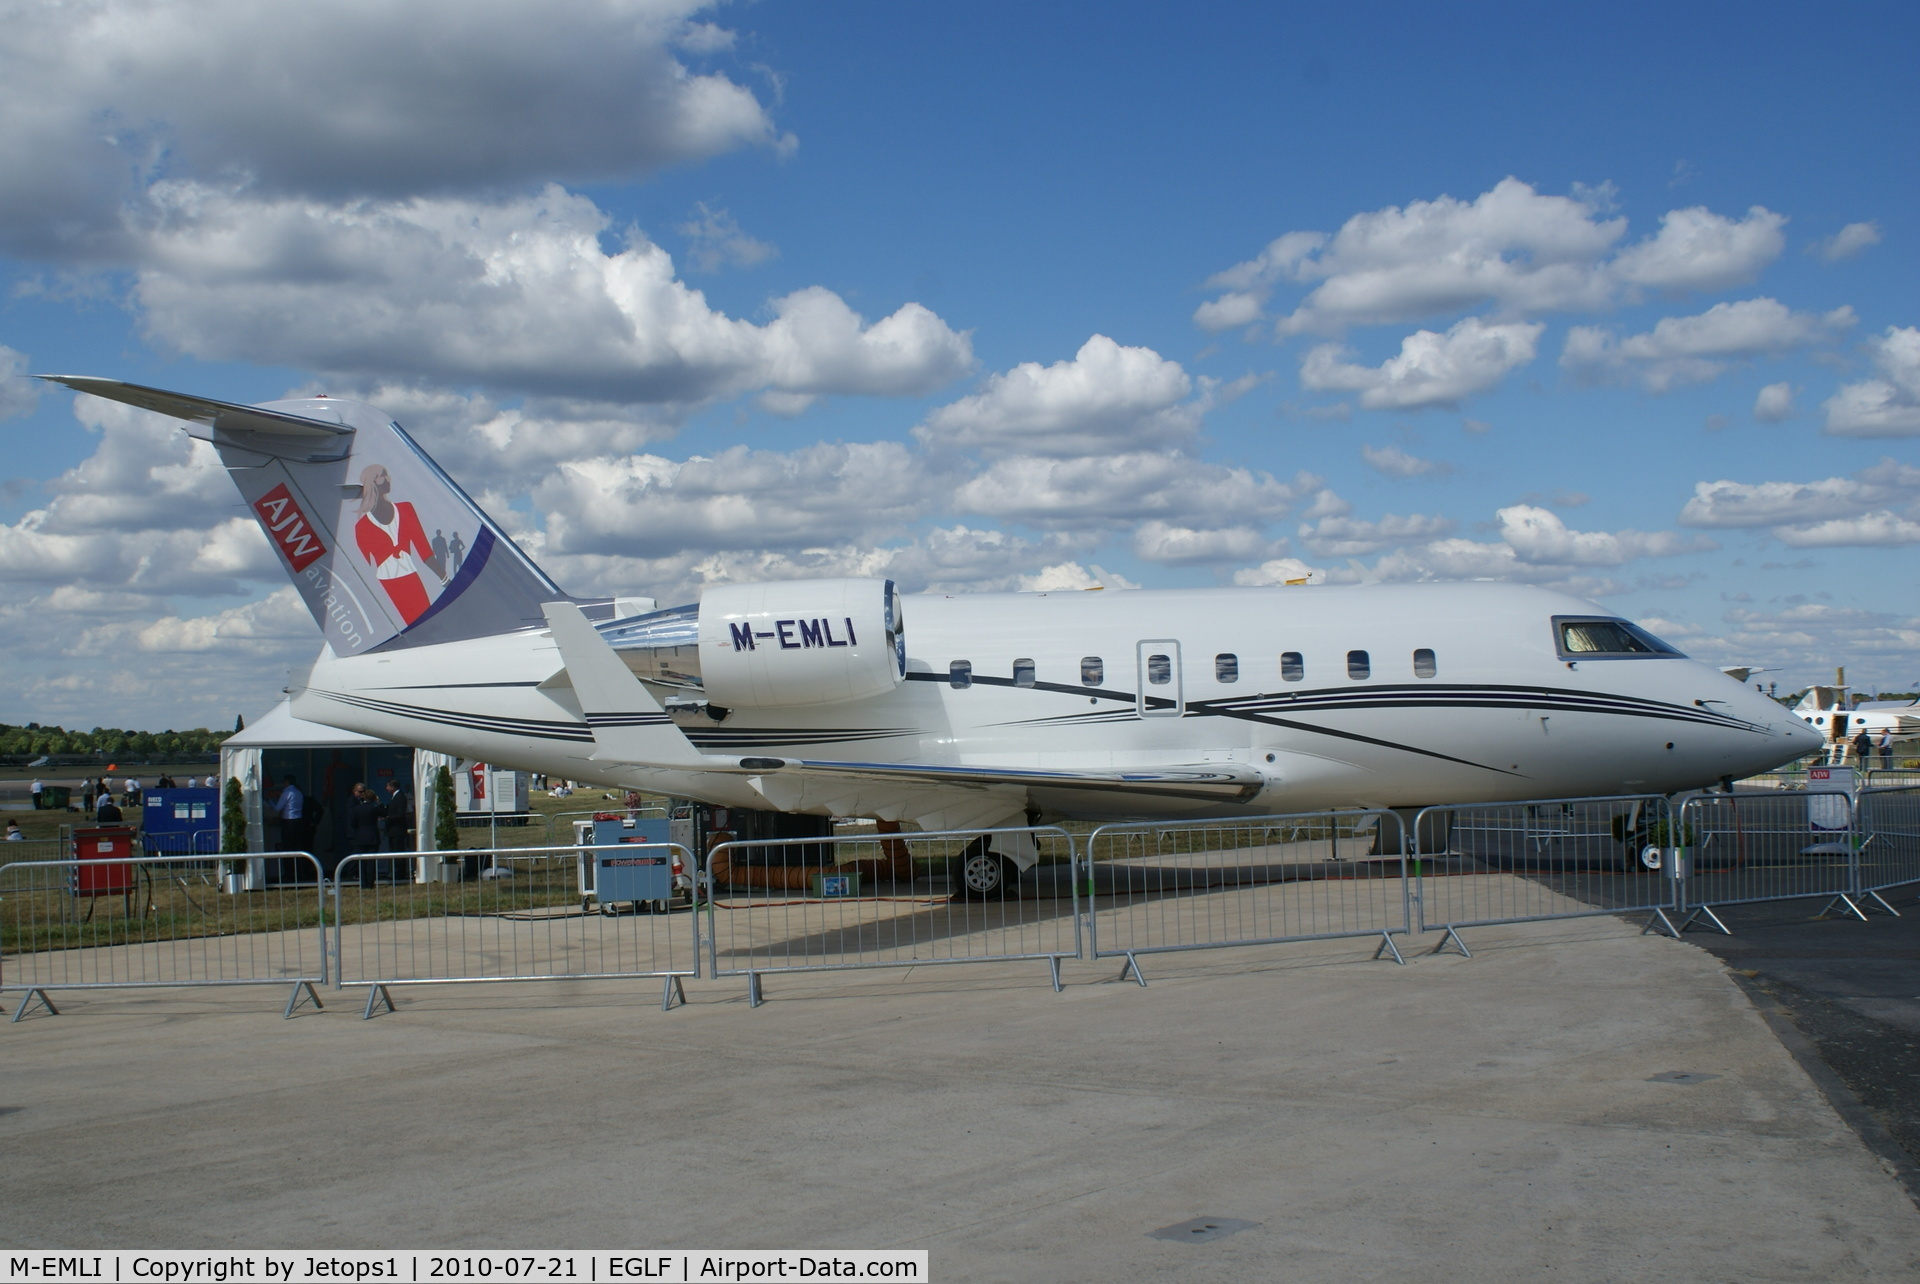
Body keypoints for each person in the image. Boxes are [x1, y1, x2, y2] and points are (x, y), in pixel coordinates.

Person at [353, 463, 447, 625]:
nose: (388, 478)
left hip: (410, 574)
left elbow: (423, 547)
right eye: (383, 475)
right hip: (388, 581)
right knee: (416, 626)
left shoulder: (405, 509)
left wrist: (444, 577)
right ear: (373, 482)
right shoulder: (361, 527)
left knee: (428, 621)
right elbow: (366, 568)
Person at [347, 783, 385, 888]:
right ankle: (370, 883)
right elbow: (383, 813)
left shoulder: (357, 809)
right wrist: (379, 802)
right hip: (372, 836)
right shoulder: (374, 808)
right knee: (371, 862)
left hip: (360, 837)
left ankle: (363, 883)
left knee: (362, 862)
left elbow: (353, 823)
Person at [274, 774, 306, 852]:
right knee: (297, 845)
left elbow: (277, 808)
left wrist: (270, 802)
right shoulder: (299, 792)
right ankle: (298, 863)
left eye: (283, 782)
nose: (282, 784)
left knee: (288, 846)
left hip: (289, 821)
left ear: (287, 782)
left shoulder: (287, 792)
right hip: (298, 820)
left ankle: (289, 864)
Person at [382, 779, 415, 853]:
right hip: (393, 831)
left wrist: (389, 818)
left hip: (398, 830)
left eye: (388, 786)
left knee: (398, 851)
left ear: (393, 787)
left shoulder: (400, 797)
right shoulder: (395, 797)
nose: (386, 788)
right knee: (394, 850)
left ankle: (400, 865)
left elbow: (400, 814)